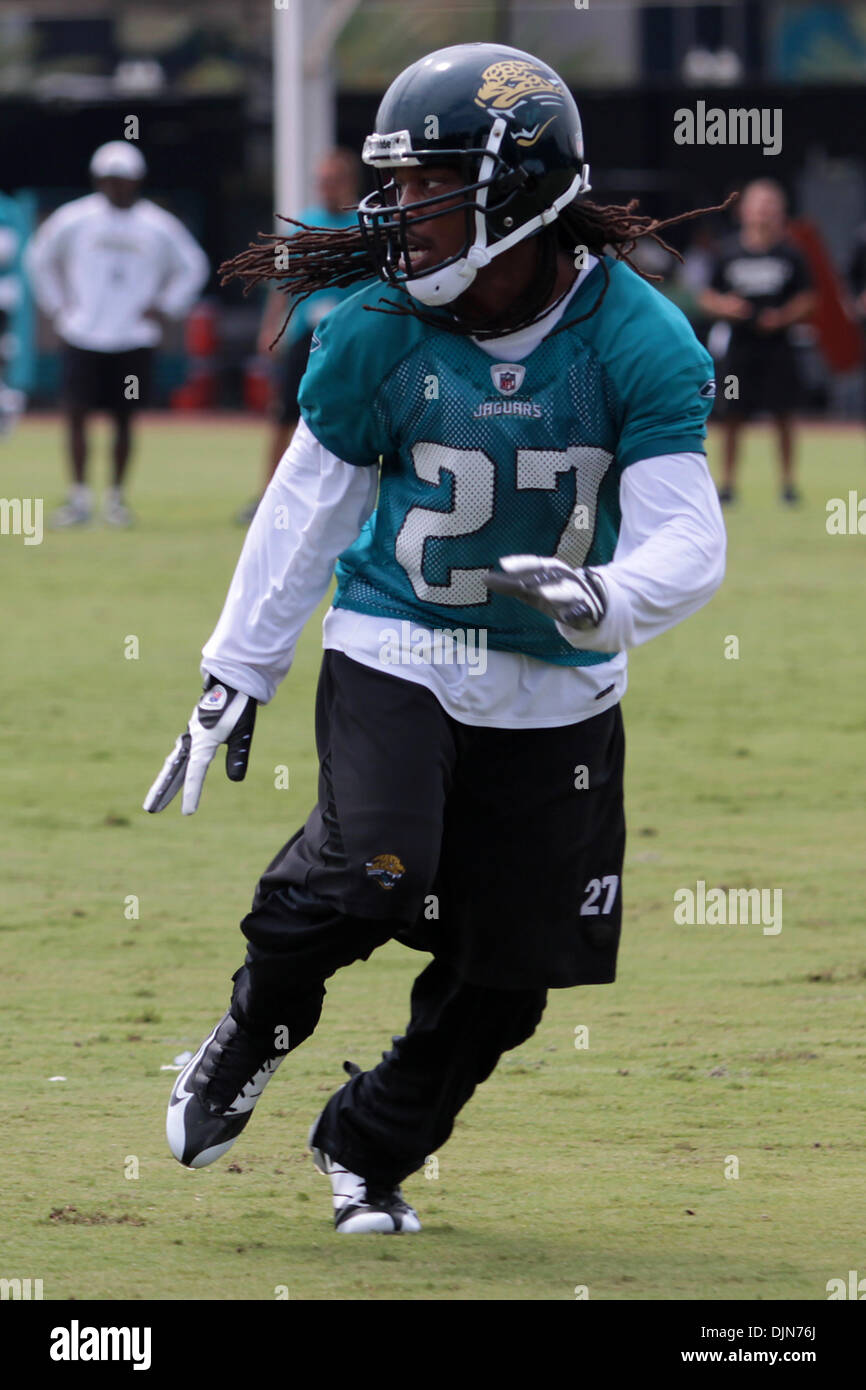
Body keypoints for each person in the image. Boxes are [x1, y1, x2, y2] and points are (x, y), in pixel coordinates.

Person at [144, 43, 726, 1235]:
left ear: (516, 191)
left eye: (428, 184)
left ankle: (366, 1146)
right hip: (397, 641)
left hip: (561, 684)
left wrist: (604, 597)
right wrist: (237, 669)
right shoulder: (370, 329)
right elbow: (308, 506)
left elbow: (688, 539)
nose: (400, 213)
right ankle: (260, 1017)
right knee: (375, 870)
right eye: (396, 184)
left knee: (508, 984)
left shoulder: (639, 339)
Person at [25, 141, 209, 528]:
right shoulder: (74, 219)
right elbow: (39, 258)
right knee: (76, 414)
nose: (116, 187)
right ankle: (78, 498)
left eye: (123, 180)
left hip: (133, 338)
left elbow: (194, 266)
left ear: (136, 181)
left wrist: (166, 306)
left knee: (124, 417)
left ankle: (115, 499)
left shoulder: (157, 224)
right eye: (109, 180)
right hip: (82, 335)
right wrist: (59, 307)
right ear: (98, 180)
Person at [236, 149, 369, 525]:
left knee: (354, 417)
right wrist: (272, 327)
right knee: (284, 415)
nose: (327, 188)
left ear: (349, 182)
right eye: (322, 181)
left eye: (334, 180)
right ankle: (268, 496)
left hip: (351, 340)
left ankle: (349, 501)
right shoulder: (300, 226)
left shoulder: (365, 226)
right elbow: (281, 283)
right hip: (306, 338)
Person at [699, 180, 815, 506]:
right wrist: (727, 308)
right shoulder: (727, 251)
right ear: (744, 210)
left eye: (770, 206)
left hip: (778, 347)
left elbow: (809, 298)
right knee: (732, 414)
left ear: (780, 212)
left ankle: (788, 484)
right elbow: (706, 296)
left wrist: (782, 317)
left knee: (784, 415)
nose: (764, 212)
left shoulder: (791, 254)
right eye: (758, 205)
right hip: (739, 349)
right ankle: (728, 483)